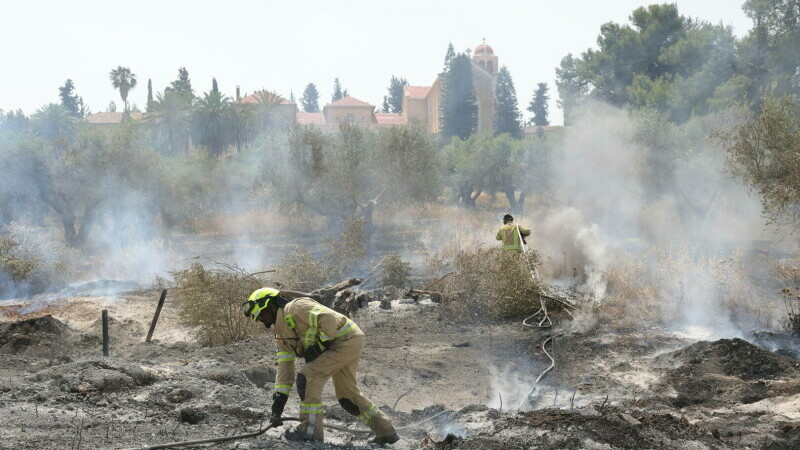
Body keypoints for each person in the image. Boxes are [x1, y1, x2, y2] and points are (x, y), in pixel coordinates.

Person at [241, 287, 400, 444]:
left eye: (260, 314)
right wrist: (278, 403)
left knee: (308, 377)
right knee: (347, 396)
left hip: (346, 339)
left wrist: (319, 346)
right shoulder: (281, 334)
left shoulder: (296, 308)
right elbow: (285, 368)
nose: (260, 320)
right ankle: (385, 431)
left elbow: (328, 319)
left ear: (270, 305)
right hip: (347, 342)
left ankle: (310, 432)